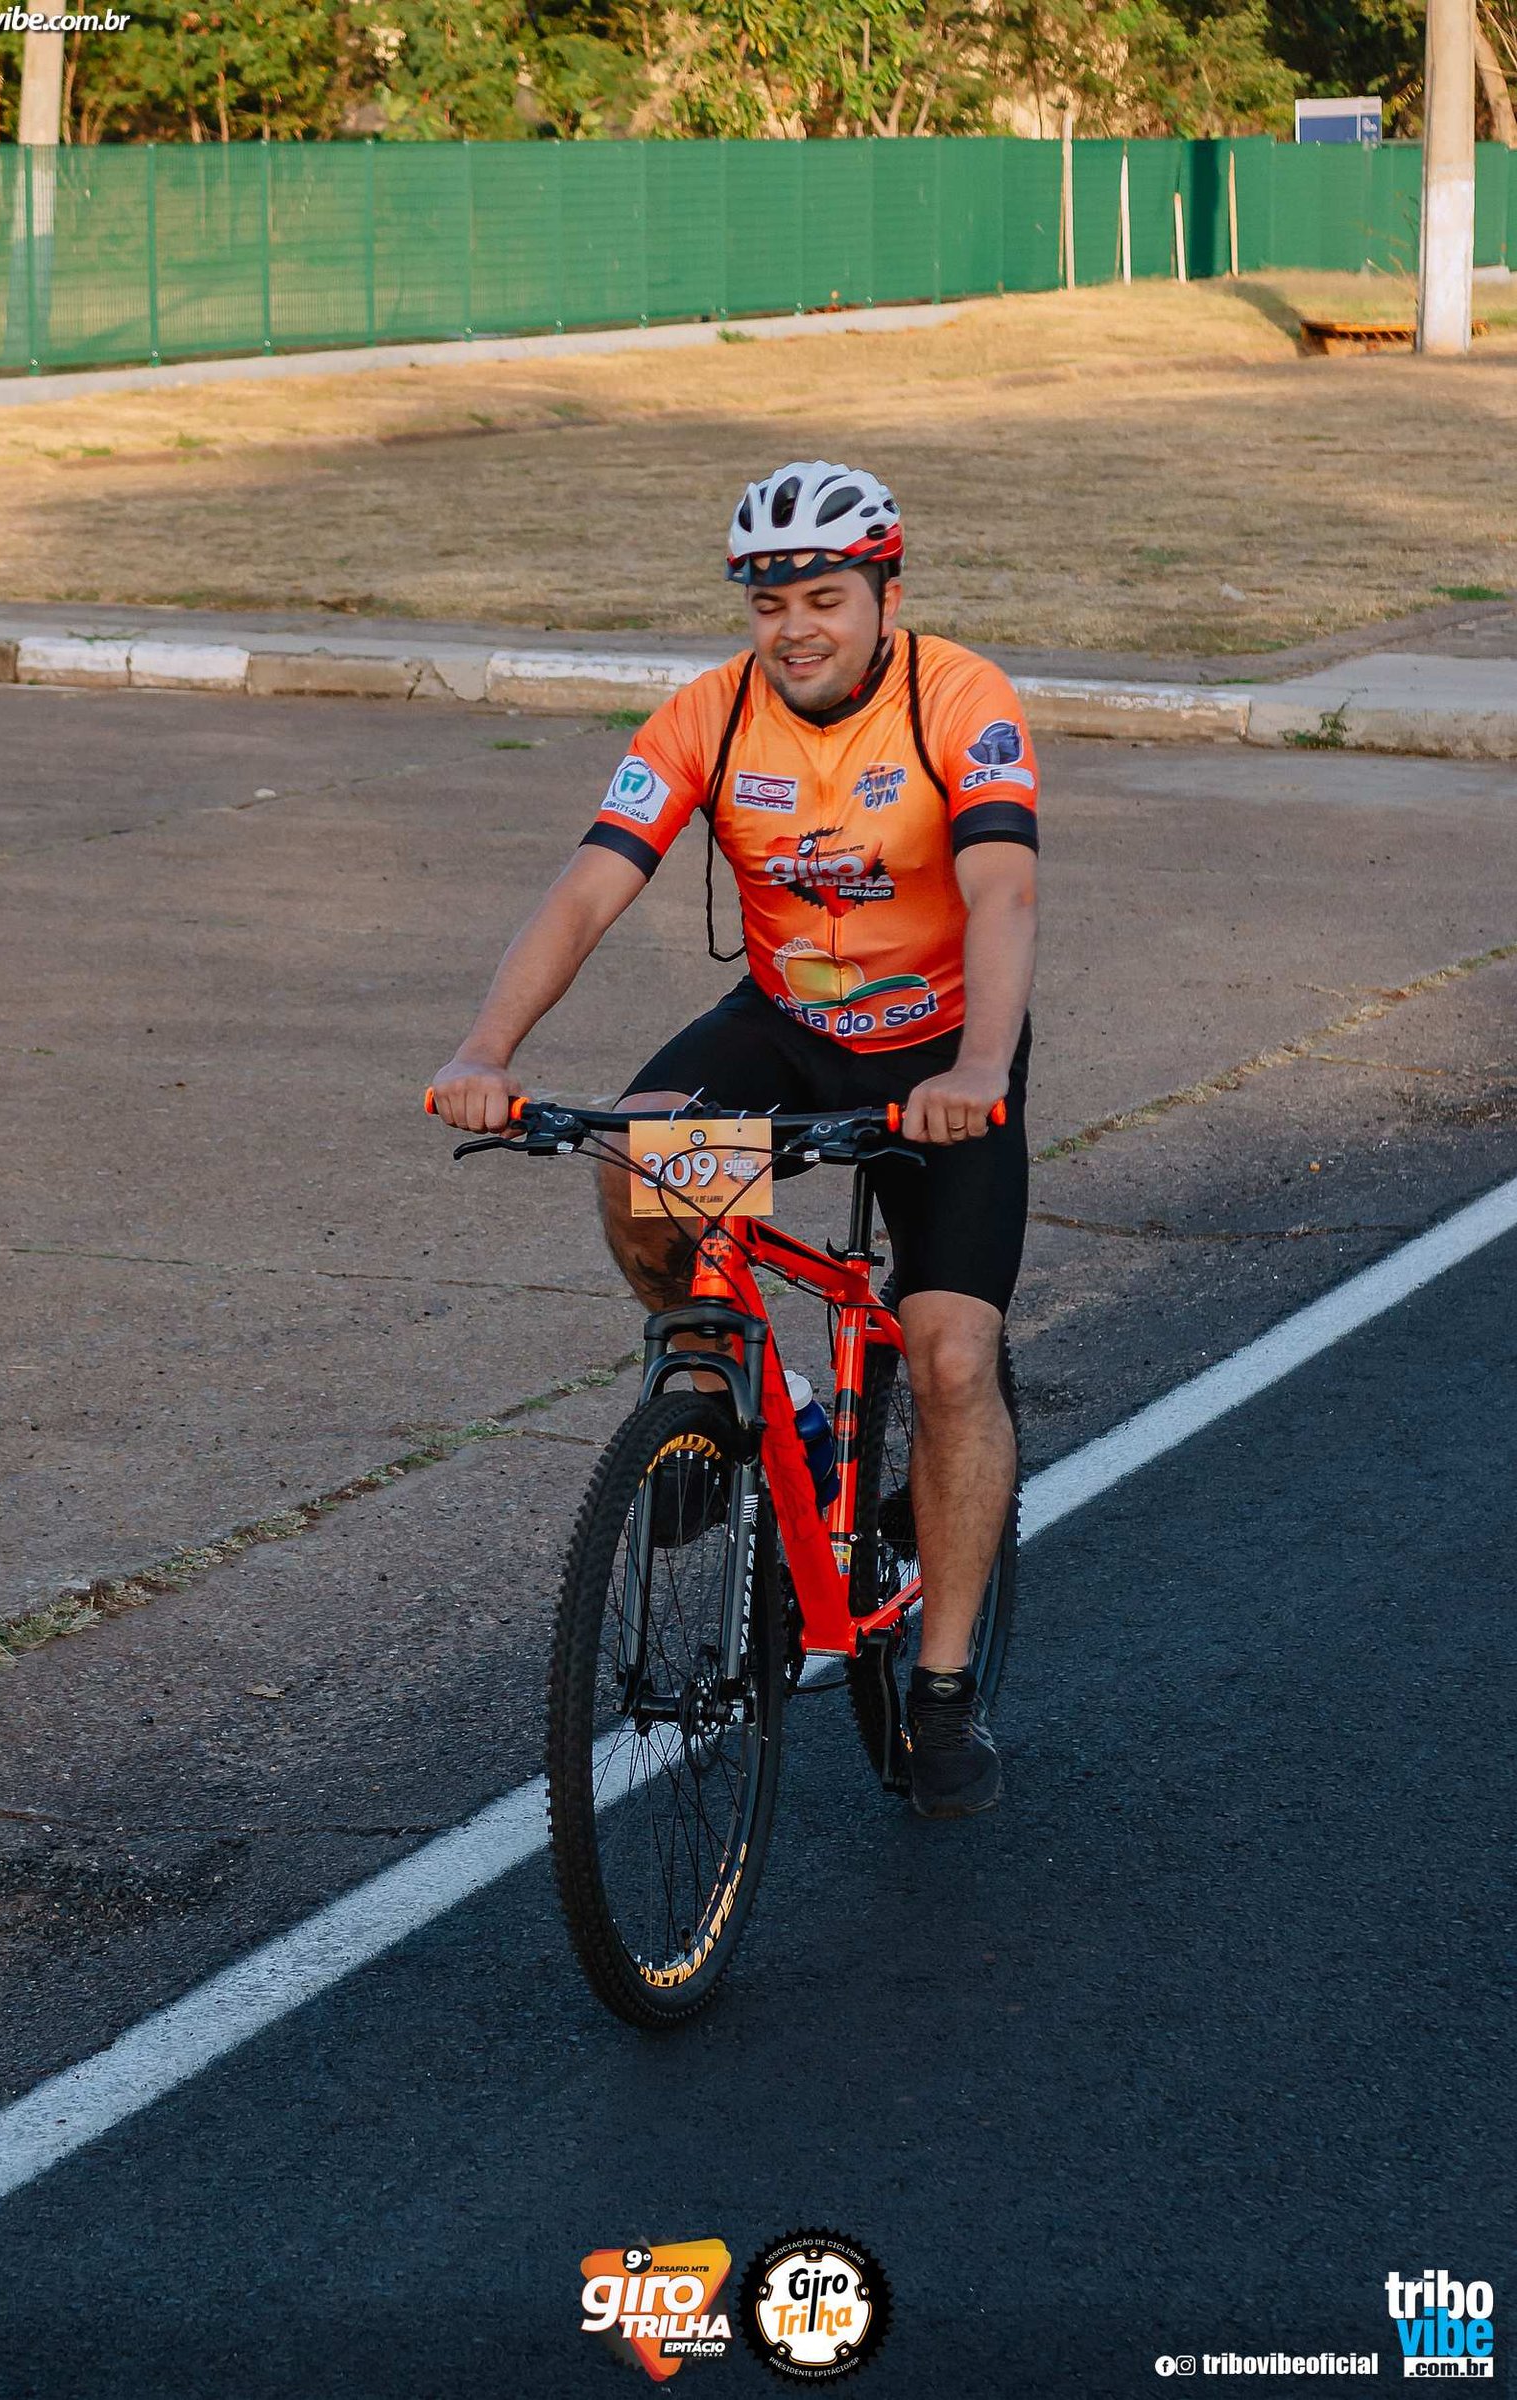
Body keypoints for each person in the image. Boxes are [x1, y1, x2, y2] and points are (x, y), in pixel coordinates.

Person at [430, 460, 1038, 1819]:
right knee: (638, 1152)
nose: (795, 629)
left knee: (949, 1356)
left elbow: (1002, 891)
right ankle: (752, 1398)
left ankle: (942, 1686)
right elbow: (589, 889)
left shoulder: (960, 701)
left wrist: (981, 1068)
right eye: (770, 606)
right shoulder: (707, 716)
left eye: (825, 599)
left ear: (885, 595)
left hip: (944, 1045)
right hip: (786, 1023)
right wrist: (486, 1051)